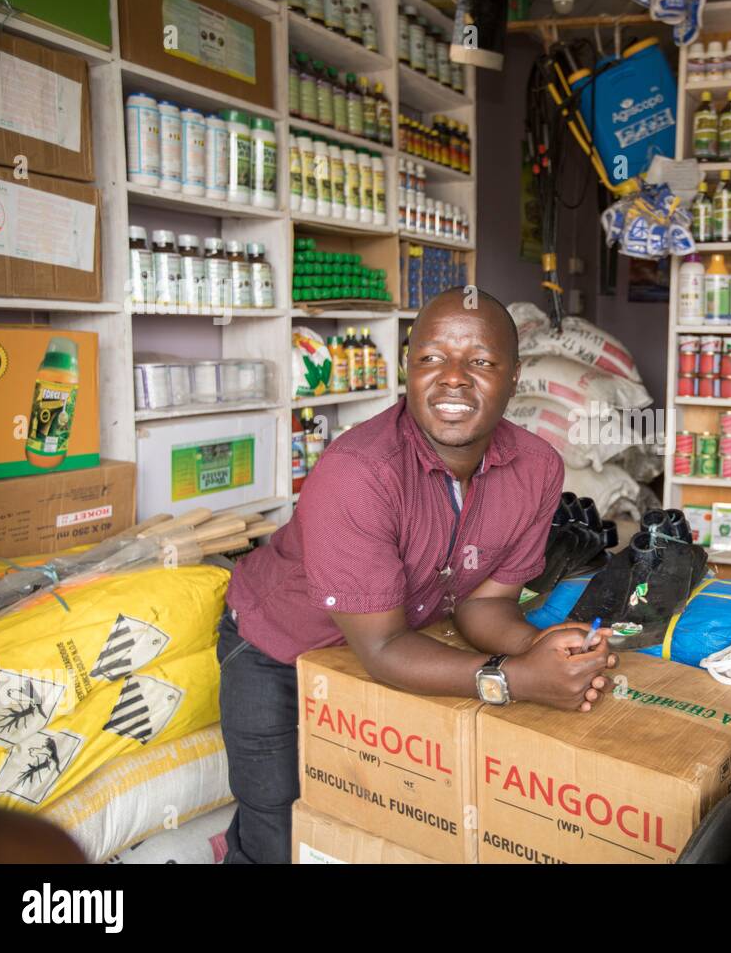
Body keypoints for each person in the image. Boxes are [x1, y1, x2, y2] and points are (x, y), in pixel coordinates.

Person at [218, 288, 615, 863]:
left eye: (480, 361)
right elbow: (382, 647)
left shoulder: (536, 467)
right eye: (430, 358)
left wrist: (542, 648)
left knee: (373, 828)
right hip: (277, 647)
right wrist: (518, 680)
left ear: (514, 377)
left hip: (394, 640)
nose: (452, 378)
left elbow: (484, 604)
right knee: (280, 835)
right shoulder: (360, 472)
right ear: (408, 368)